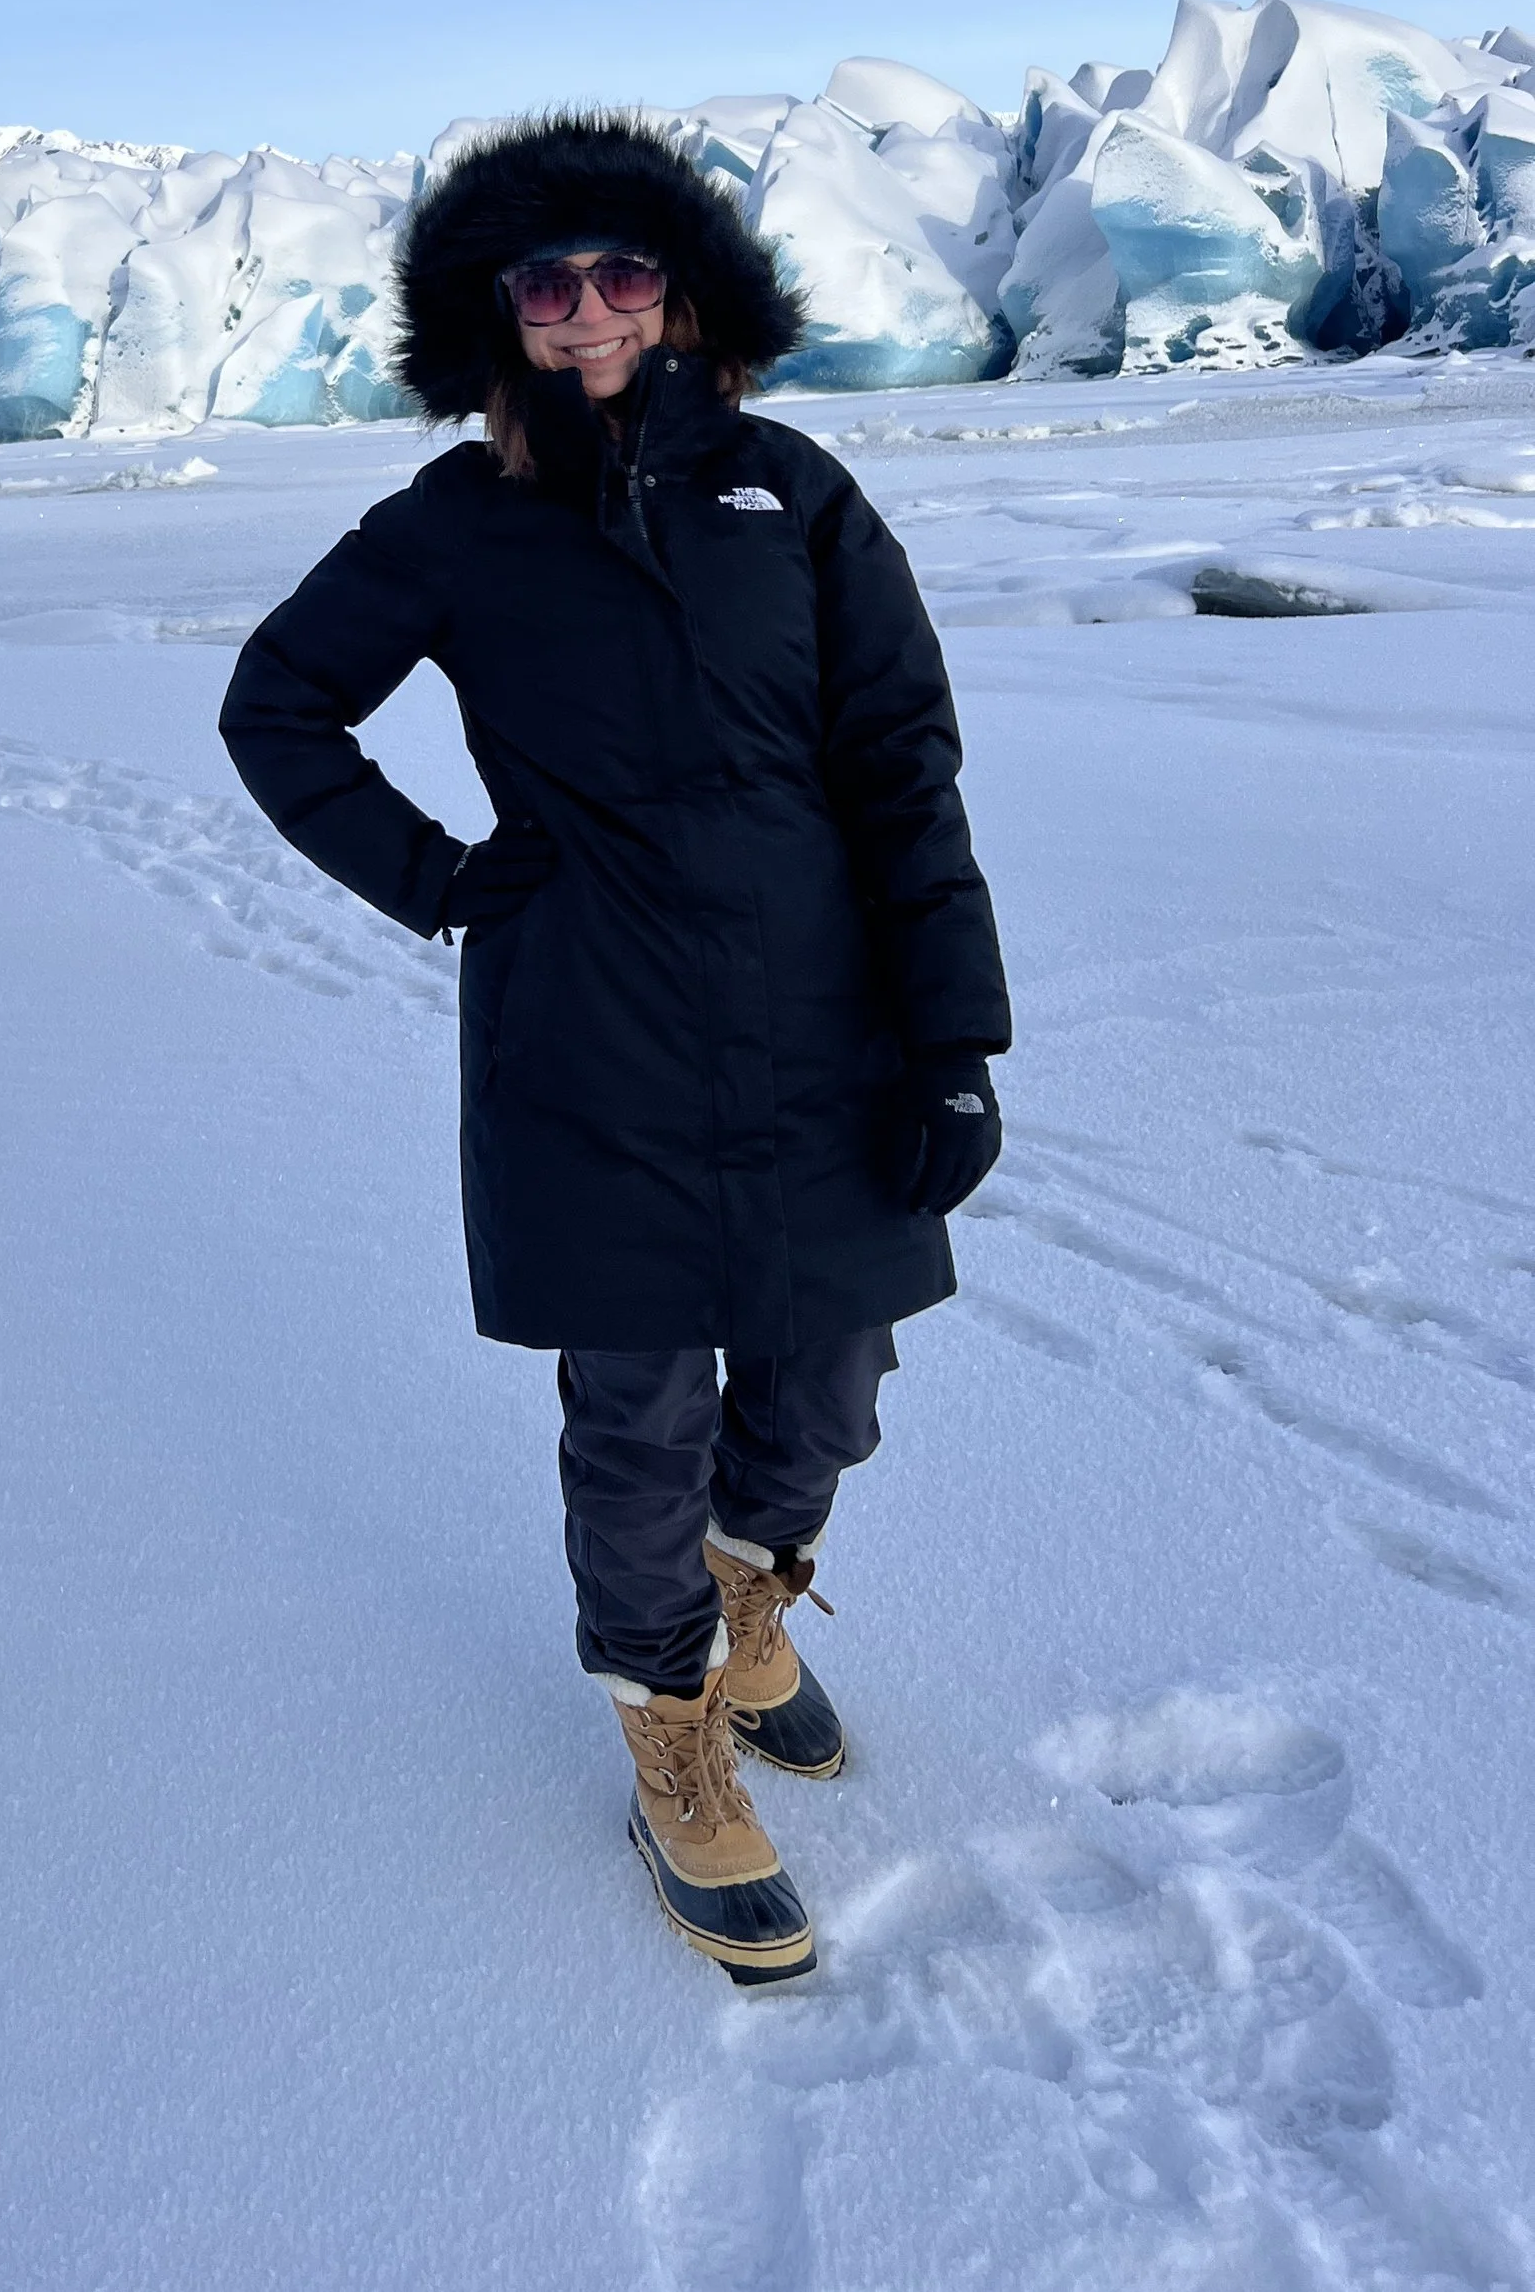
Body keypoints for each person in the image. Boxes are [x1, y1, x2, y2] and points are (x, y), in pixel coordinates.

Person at [218, 113, 1010, 1985]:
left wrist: (955, 1037)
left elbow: (903, 771)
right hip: (590, 1027)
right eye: (546, 281)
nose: (588, 308)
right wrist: (439, 876)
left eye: (623, 270)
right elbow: (277, 706)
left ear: (683, 292)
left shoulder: (792, 494)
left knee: (830, 1378)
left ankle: (751, 1600)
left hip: (823, 1017)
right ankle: (669, 1731)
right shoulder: (454, 522)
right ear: (496, 313)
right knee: (639, 1413)